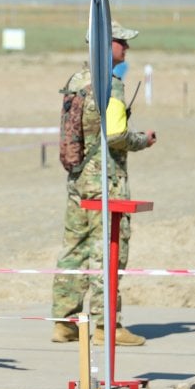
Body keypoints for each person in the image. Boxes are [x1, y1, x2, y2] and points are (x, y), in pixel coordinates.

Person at [51, 21, 156, 346]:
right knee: (108, 251)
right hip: (105, 180)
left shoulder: (77, 80)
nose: (126, 49)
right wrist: (143, 140)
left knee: (74, 248)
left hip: (79, 179)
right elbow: (115, 135)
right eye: (121, 42)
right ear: (105, 44)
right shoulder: (109, 84)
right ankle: (105, 325)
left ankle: (64, 322)